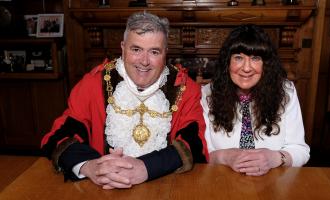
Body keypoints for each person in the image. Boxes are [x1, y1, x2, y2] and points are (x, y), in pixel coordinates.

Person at [41, 12, 208, 189]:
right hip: (101, 187)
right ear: (122, 48)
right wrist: (89, 166)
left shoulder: (185, 88)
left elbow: (193, 142)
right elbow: (61, 134)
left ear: (165, 53)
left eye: (154, 52)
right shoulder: (93, 84)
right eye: (136, 49)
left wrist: (146, 167)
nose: (144, 61)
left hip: (165, 187)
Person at [201, 24, 310, 176]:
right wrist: (225, 156)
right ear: (227, 63)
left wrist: (276, 158)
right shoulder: (206, 95)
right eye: (238, 58)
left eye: (255, 58)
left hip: (273, 184)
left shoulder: (286, 92)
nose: (246, 68)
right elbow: (200, 153)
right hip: (222, 180)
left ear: (266, 64)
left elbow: (301, 150)